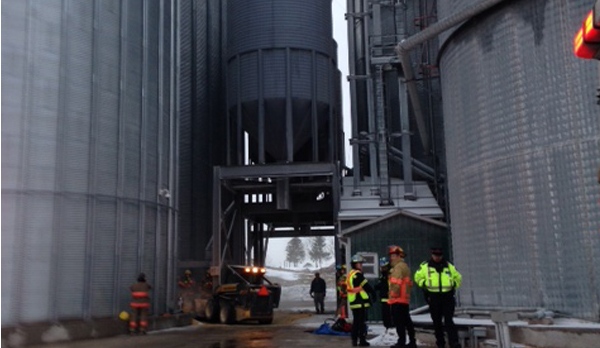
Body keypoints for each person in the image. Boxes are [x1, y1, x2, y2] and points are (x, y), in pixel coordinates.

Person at [414, 247, 462, 348]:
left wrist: (453, 284)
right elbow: (417, 277)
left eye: (439, 255)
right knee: (437, 322)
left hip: (447, 296)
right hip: (433, 296)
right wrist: (424, 284)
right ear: (432, 255)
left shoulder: (449, 266)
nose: (437, 257)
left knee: (449, 320)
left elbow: (458, 277)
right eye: (435, 255)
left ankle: (454, 342)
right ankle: (440, 343)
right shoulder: (425, 266)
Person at [388, 245, 416, 348]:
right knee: (407, 321)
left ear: (399, 256)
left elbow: (396, 283)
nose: (391, 258)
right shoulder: (405, 266)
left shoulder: (398, 267)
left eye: (393, 255)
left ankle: (401, 342)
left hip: (397, 299)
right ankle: (412, 341)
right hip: (404, 299)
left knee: (399, 322)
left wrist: (392, 295)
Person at [346, 254, 376, 347]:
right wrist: (373, 293)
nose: (361, 265)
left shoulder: (350, 274)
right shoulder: (357, 275)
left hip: (354, 302)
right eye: (360, 264)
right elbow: (366, 285)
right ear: (355, 264)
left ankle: (355, 340)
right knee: (361, 323)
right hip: (360, 302)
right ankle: (362, 340)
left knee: (356, 322)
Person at [374, 256, 393, 331]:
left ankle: (390, 328)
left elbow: (388, 285)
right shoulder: (383, 275)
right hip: (384, 298)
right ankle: (387, 328)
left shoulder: (389, 274)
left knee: (389, 315)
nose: (382, 268)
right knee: (385, 315)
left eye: (383, 267)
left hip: (389, 298)